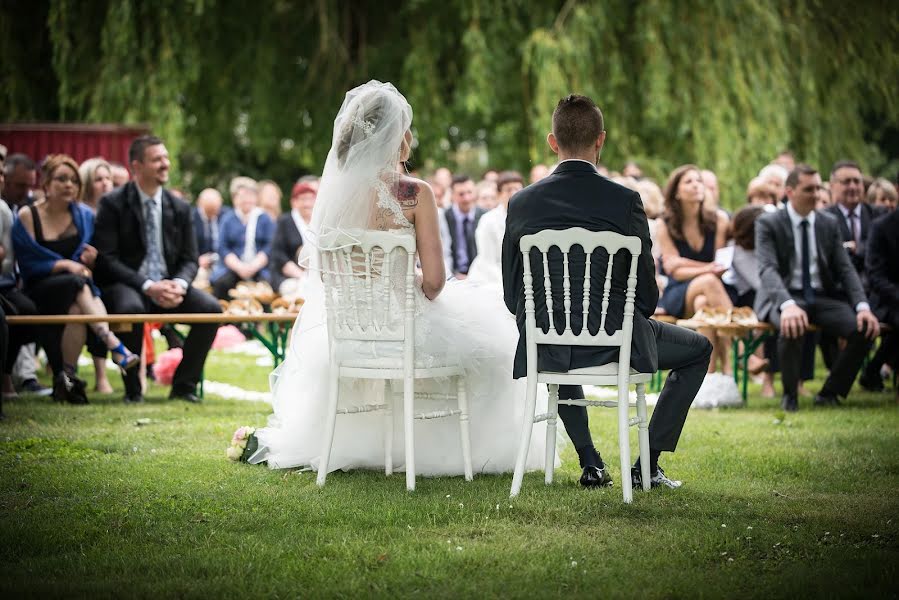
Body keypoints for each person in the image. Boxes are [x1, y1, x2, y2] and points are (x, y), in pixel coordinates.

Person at [248, 80, 550, 475]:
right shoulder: (415, 192)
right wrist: (409, 287)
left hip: (350, 330)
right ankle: (452, 452)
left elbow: (325, 275)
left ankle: (376, 447)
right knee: (496, 351)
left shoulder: (333, 196)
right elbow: (436, 281)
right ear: (396, 135)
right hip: (402, 322)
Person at [503, 94, 712, 490]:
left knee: (556, 334)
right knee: (699, 349)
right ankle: (647, 463)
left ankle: (590, 462)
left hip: (548, 343)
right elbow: (647, 296)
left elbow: (513, 293)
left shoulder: (521, 203)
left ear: (552, 142)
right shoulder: (625, 200)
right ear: (601, 140)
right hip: (619, 340)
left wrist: (552, 321)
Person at [93, 136, 222, 404]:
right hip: (130, 285)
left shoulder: (181, 207)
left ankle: (184, 386)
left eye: (166, 158)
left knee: (211, 310)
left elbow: (190, 258)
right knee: (130, 308)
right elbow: (107, 259)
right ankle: (133, 391)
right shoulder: (113, 204)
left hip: (170, 286)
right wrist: (147, 285)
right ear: (136, 166)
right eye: (157, 159)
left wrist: (180, 284)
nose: (165, 164)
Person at [13, 154, 141, 404]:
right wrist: (62, 264)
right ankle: (113, 344)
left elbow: (90, 254)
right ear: (47, 184)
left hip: (77, 291)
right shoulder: (28, 216)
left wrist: (89, 260)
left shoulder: (83, 215)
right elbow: (27, 262)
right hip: (39, 289)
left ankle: (66, 380)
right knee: (76, 283)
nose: (69, 185)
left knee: (76, 309)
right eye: (61, 179)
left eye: (73, 180)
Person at [754, 164, 879, 411]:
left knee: (864, 329)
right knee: (791, 326)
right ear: (789, 192)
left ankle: (830, 392)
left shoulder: (828, 223)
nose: (816, 194)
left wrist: (863, 306)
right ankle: (790, 395)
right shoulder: (768, 223)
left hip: (821, 297)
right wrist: (787, 305)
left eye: (818, 188)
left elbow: (845, 269)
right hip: (785, 296)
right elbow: (767, 269)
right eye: (808, 189)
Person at [655, 165, 733, 373]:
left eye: (698, 180)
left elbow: (721, 266)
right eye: (689, 182)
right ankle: (740, 349)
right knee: (708, 281)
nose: (697, 185)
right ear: (677, 192)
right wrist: (706, 268)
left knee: (704, 303)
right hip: (678, 292)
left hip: (713, 291)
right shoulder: (665, 224)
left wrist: (684, 263)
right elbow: (675, 272)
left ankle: (711, 375)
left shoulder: (719, 220)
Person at [77, 157, 118, 393]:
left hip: (107, 276)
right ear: (87, 183)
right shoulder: (81, 213)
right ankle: (100, 375)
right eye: (98, 179)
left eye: (108, 178)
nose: (105, 184)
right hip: (85, 277)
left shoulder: (114, 212)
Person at [211, 177, 275, 299]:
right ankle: (224, 316)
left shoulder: (264, 218)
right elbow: (223, 248)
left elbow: (269, 246)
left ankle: (264, 317)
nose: (247, 200)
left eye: (251, 196)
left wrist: (254, 266)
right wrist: (240, 267)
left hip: (258, 267)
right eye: (242, 196)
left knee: (268, 285)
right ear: (235, 199)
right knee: (221, 284)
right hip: (233, 268)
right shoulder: (227, 219)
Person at [860, 207, 899, 392]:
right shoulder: (881, 227)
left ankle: (873, 370)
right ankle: (875, 370)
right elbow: (875, 276)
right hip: (886, 299)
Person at [466, 171, 523, 285]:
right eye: (508, 190)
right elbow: (487, 261)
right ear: (499, 194)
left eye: (517, 189)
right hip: (490, 277)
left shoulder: (528, 218)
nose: (513, 193)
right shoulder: (488, 221)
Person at [270, 181, 316, 296]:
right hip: (287, 275)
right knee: (296, 290)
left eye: (311, 199)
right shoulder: (284, 222)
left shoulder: (319, 223)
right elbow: (278, 255)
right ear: (294, 202)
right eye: (303, 199)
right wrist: (302, 276)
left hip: (314, 275)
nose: (307, 204)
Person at [441, 175, 485, 279]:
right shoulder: (444, 216)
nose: (467, 198)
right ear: (453, 195)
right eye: (461, 194)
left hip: (480, 276)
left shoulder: (484, 216)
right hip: (452, 276)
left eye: (470, 192)